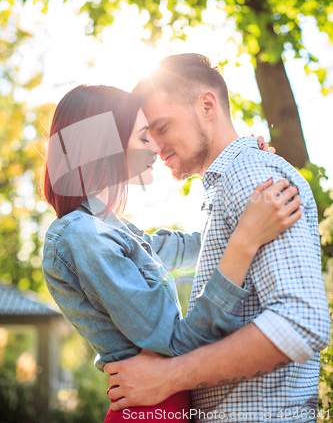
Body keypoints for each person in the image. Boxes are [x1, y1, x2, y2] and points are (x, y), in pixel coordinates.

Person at [41, 84, 301, 423]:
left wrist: (251, 173)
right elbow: (172, 341)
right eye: (144, 136)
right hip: (150, 409)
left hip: (166, 403)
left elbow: (201, 244)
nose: (156, 146)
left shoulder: (119, 232)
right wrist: (245, 241)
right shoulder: (83, 236)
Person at [105, 54, 331, 422]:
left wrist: (167, 377)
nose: (155, 146)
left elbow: (302, 322)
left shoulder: (250, 176)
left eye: (162, 127)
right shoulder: (230, 184)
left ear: (207, 104)